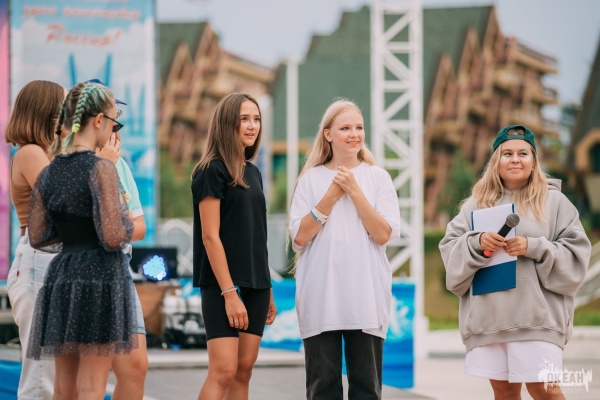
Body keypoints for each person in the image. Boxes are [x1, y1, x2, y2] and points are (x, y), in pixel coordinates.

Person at [439, 125, 591, 400]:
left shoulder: (555, 202)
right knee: (504, 392)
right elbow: (450, 250)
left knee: (544, 390)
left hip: (537, 320)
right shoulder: (475, 204)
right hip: (489, 319)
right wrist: (477, 242)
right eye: (507, 153)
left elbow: (577, 254)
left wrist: (533, 247)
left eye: (523, 153)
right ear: (495, 161)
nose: (515, 159)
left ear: (534, 161)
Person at [26, 81, 137, 400]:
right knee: (91, 388)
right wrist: (125, 221)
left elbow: (38, 236)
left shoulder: (50, 171)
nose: (114, 128)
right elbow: (113, 235)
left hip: (62, 276)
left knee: (63, 389)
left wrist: (73, 234)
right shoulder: (101, 168)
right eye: (112, 120)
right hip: (100, 277)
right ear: (99, 120)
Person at [288, 99, 401, 399]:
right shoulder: (310, 180)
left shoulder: (378, 178)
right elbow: (299, 238)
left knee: (366, 389)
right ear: (328, 134)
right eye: (345, 128)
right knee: (322, 389)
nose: (354, 134)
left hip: (366, 298)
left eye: (359, 127)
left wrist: (354, 191)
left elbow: (383, 235)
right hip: (321, 296)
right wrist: (330, 196)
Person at [191, 93, 277, 400]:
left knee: (243, 371)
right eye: (244, 119)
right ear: (227, 123)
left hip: (257, 283)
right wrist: (229, 293)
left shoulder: (253, 172)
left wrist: (267, 286)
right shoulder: (210, 170)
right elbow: (210, 237)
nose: (252, 125)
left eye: (256, 119)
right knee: (224, 371)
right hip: (221, 285)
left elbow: (256, 235)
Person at [5, 80, 64, 400]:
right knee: (42, 379)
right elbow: (62, 200)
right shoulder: (30, 153)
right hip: (39, 264)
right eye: (63, 106)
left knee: (56, 377)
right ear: (48, 111)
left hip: (50, 261)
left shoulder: (45, 154)